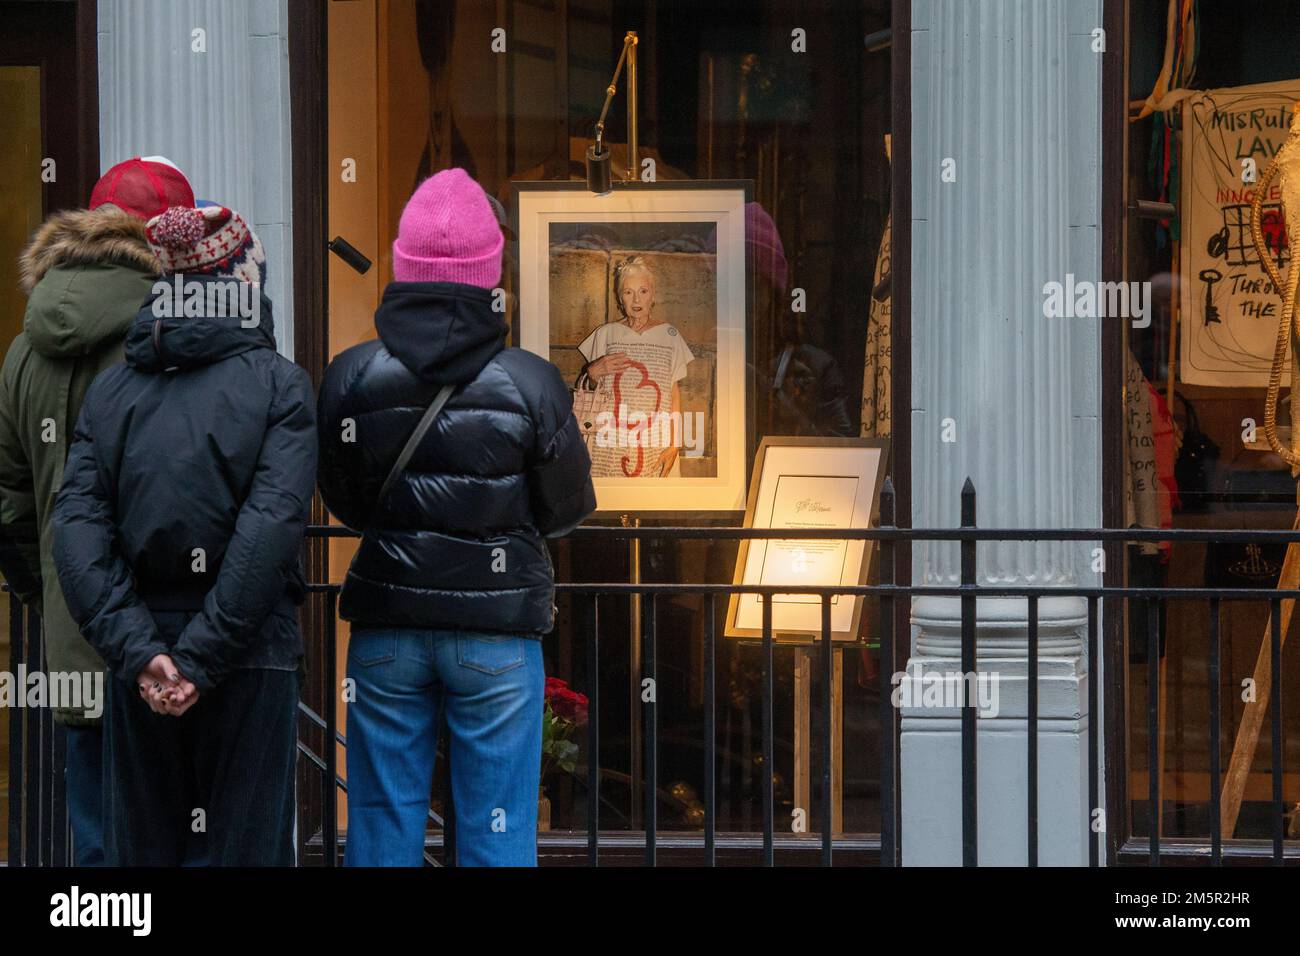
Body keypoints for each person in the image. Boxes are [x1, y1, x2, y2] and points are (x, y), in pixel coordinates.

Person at [317, 167, 595, 867]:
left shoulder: (350, 375)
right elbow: (566, 511)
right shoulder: (531, 381)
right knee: (497, 832)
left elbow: (346, 500)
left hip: (388, 629)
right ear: (490, 274)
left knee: (380, 827)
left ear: (403, 265)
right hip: (496, 636)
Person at [52, 204, 315, 866]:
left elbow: (78, 533)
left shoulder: (112, 393)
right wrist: (198, 658)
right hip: (249, 649)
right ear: (243, 283)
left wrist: (142, 653)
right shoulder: (279, 386)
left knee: (141, 861)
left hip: (145, 647)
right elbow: (268, 531)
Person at [0, 156, 194, 866]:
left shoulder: (23, 351)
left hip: (73, 631)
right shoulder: (176, 332)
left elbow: (9, 503)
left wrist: (51, 590)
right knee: (176, 832)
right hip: (169, 627)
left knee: (98, 842)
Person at [578, 255, 696, 478]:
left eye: (643, 291)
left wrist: (674, 443)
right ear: (619, 298)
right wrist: (592, 372)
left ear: (653, 295)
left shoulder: (669, 335)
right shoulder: (606, 334)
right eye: (628, 292)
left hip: (654, 441)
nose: (636, 300)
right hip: (610, 440)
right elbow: (589, 390)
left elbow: (674, 394)